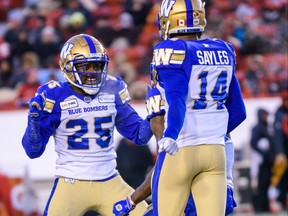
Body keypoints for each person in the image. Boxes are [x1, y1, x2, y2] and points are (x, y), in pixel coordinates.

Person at [123, 1, 246, 215]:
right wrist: (214, 131)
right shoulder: (223, 48)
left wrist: (171, 135)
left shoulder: (171, 50)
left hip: (181, 149)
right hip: (215, 152)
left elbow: (176, 98)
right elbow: (238, 112)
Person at [21, 34, 155, 216]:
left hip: (110, 181)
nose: (92, 72)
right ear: (67, 66)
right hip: (70, 184)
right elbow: (33, 151)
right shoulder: (54, 95)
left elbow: (140, 136)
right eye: (85, 66)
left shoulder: (112, 88)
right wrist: (34, 123)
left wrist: (155, 113)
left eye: (97, 66)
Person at [113, 134, 237, 216]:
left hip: (191, 199)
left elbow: (162, 171)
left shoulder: (183, 130)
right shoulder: (220, 131)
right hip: (215, 190)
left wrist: (132, 201)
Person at [250, 108, 275, 212]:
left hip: (267, 162)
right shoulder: (258, 128)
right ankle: (259, 206)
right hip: (261, 162)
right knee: (261, 184)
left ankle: (265, 205)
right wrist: (263, 153)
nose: (266, 117)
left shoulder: (266, 126)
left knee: (267, 184)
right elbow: (253, 143)